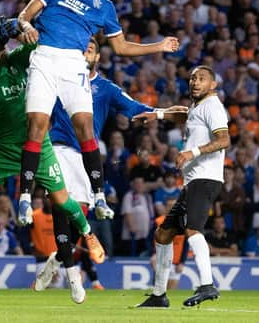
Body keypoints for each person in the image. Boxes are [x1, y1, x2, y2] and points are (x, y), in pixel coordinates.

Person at [15, 0, 179, 227]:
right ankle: (25, 199)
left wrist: (160, 45)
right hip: (43, 59)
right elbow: (23, 16)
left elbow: (122, 47)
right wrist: (26, 26)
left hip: (73, 65)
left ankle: (99, 195)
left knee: (85, 127)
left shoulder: (104, 7)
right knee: (37, 125)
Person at [35, 39, 184, 300]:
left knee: (76, 217)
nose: (85, 52)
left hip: (87, 156)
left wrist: (163, 114)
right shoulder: (58, 80)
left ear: (97, 59)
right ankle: (72, 278)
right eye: (81, 49)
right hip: (58, 149)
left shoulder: (105, 88)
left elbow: (134, 108)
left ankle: (57, 259)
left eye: (90, 49)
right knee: (61, 209)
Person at [0, 19, 104, 270]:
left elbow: (36, 43)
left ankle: (87, 232)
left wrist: (20, 28)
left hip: (37, 142)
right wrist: (0, 43)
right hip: (2, 149)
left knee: (63, 199)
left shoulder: (18, 59)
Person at [134, 65, 229, 308]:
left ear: (213, 85)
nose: (195, 82)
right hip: (193, 181)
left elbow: (224, 139)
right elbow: (183, 113)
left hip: (206, 178)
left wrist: (192, 152)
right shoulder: (198, 107)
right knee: (163, 234)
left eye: (202, 79)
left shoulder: (213, 107)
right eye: (192, 78)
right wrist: (157, 115)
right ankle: (159, 295)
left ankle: (207, 285)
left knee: (193, 229)